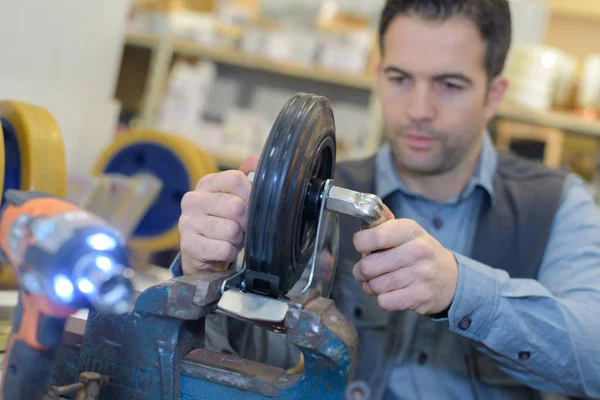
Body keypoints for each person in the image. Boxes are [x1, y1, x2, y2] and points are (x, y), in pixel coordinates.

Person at [171, 0, 600, 399]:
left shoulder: (556, 201)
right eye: (400, 78)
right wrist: (205, 272)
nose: (418, 108)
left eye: (449, 84)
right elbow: (250, 359)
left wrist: (459, 289)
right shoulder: (324, 191)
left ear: (494, 96)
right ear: (378, 75)